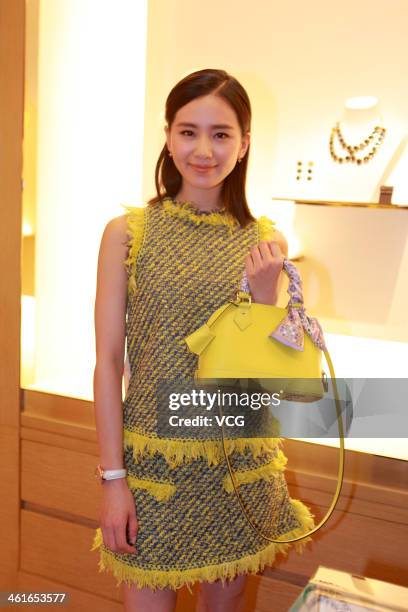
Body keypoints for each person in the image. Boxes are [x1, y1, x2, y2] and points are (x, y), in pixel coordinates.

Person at [90, 68, 315, 612]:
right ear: (168, 136)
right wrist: (113, 480)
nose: (204, 150)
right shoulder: (129, 233)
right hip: (151, 470)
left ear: (244, 145)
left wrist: (265, 299)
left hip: (237, 464)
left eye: (221, 134)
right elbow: (107, 362)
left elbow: (270, 383)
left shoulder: (266, 241)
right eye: (189, 131)